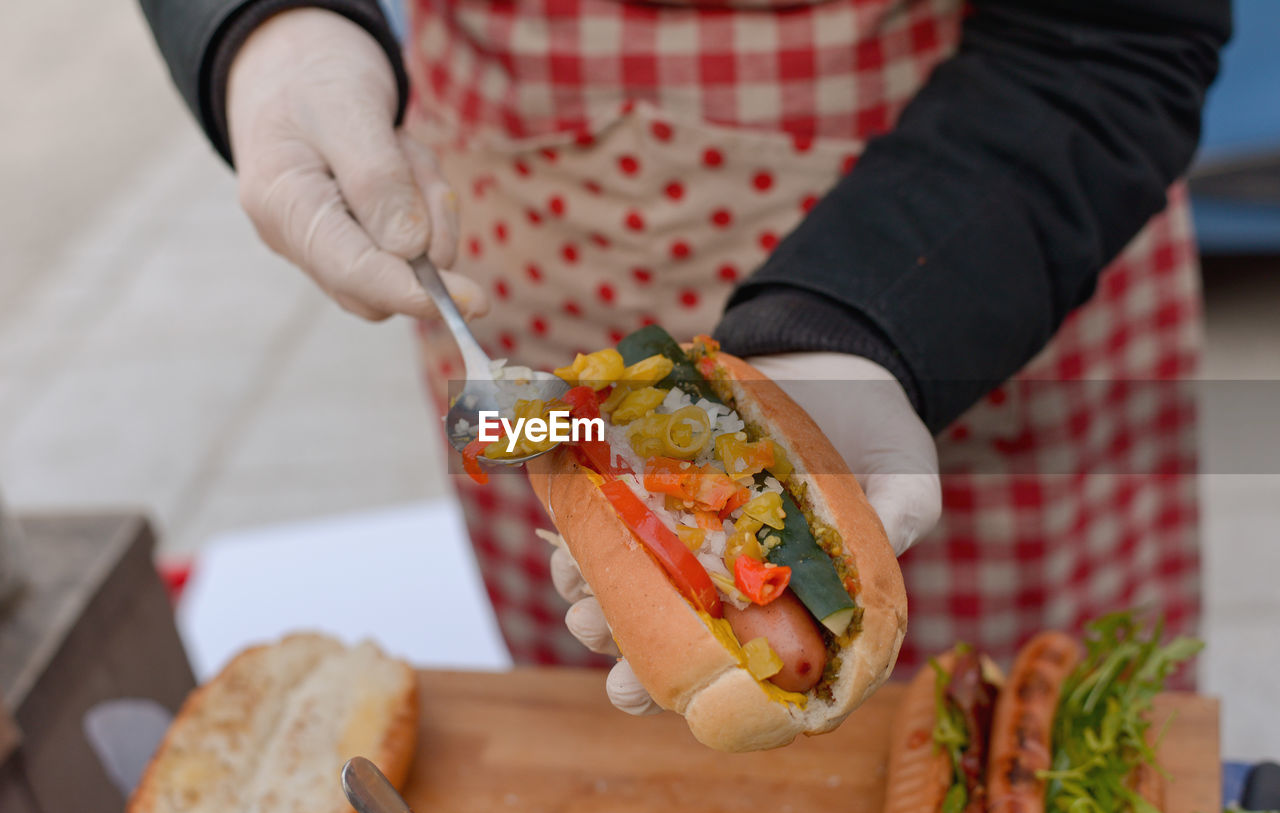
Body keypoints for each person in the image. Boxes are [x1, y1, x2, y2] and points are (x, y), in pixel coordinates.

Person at [140, 0, 1228, 708]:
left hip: (976, 249)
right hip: (524, 251)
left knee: (1017, 732)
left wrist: (864, 330)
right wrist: (264, 30)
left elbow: (1117, 31)